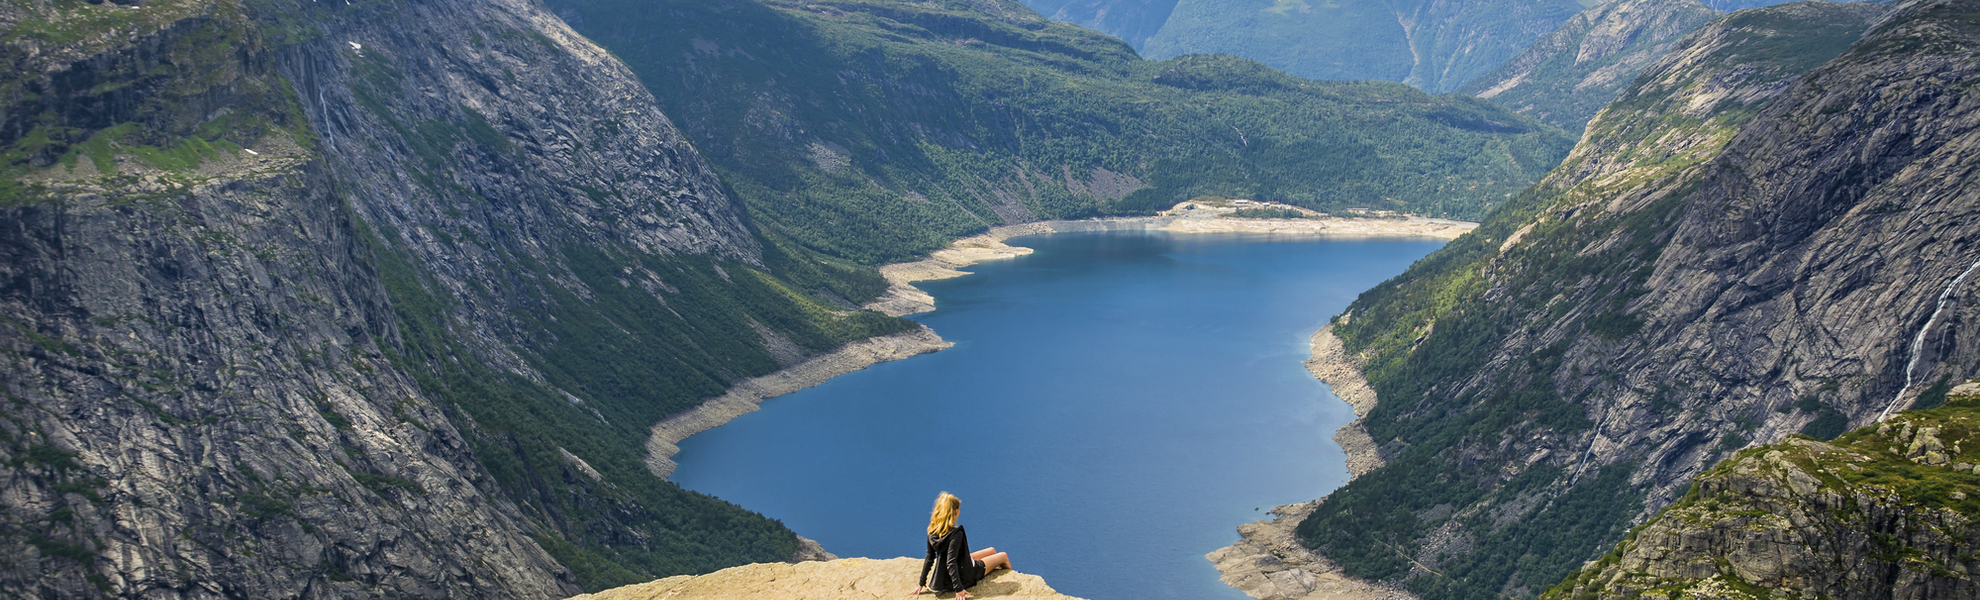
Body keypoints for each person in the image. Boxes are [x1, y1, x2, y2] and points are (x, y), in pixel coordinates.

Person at [910, 492, 1011, 599]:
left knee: (992, 550)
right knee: (1003, 556)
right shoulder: (955, 534)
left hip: (947, 574)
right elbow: (951, 562)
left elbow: (929, 557)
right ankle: (1013, 573)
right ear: (954, 512)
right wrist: (959, 589)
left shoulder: (931, 530)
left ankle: (994, 565)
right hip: (966, 574)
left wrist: (921, 583)